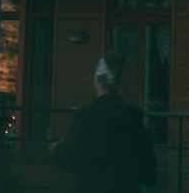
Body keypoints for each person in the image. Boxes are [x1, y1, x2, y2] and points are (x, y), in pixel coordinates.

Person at [51, 52, 157, 193]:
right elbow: (149, 176)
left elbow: (76, 161)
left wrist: (56, 149)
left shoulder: (84, 118)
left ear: (98, 80)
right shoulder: (135, 121)